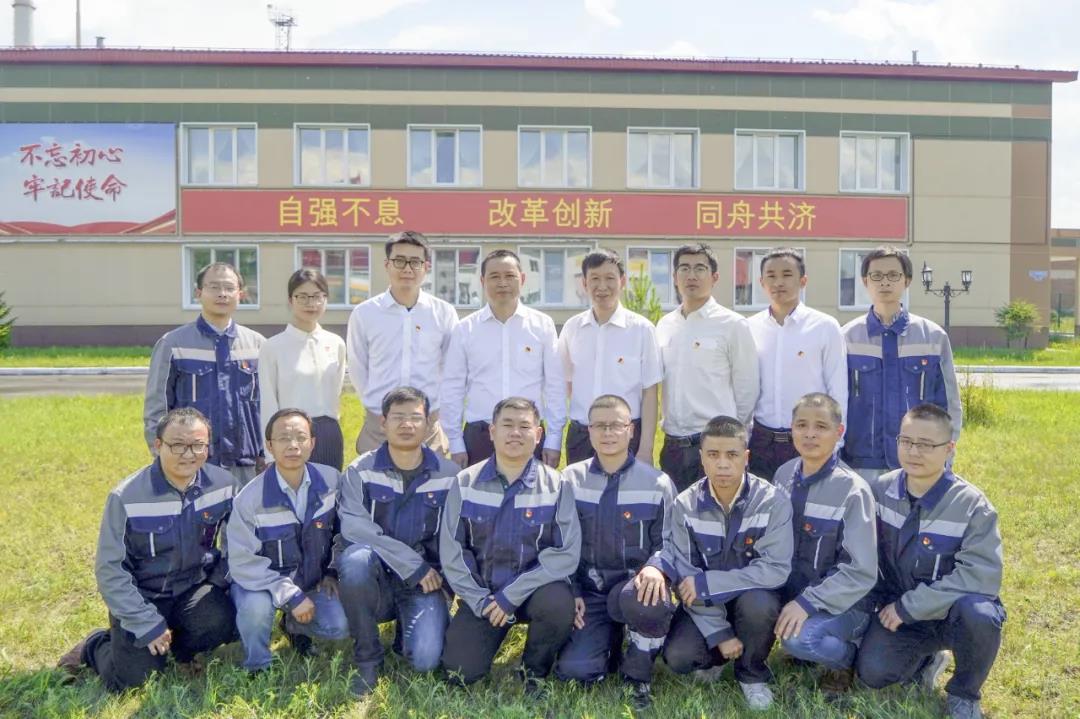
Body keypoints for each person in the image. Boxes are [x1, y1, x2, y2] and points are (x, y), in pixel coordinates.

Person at [57, 408, 237, 691]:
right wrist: (144, 622)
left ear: (207, 447)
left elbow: (240, 543)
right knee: (134, 682)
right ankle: (95, 645)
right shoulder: (126, 496)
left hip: (193, 589)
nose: (188, 454)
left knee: (221, 619)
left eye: (197, 445)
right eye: (177, 445)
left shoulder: (224, 485)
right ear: (158, 445)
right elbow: (109, 569)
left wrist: (217, 583)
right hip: (143, 597)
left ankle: (179, 652)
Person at [856, 404, 1005, 719]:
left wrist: (909, 606)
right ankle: (925, 660)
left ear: (949, 449)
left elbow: (980, 577)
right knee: (873, 673)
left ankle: (964, 693)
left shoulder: (972, 505)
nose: (913, 452)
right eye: (906, 441)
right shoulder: (879, 491)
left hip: (950, 614)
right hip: (900, 614)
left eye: (925, 444)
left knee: (981, 614)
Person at [650, 415, 792, 713]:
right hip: (704, 604)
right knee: (678, 657)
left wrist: (710, 583)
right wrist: (720, 633)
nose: (723, 464)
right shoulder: (685, 505)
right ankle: (716, 657)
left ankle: (752, 674)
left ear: (746, 457)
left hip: (750, 599)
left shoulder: (772, 501)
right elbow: (686, 579)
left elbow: (776, 569)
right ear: (702, 458)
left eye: (732, 455)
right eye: (713, 455)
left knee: (759, 604)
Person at [439, 397, 580, 691]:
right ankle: (489, 630)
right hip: (485, 596)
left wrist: (511, 596)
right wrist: (480, 600)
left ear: (538, 435)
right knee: (460, 672)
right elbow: (453, 551)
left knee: (558, 603)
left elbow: (566, 553)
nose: (515, 433)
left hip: (535, 593)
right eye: (507, 425)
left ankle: (533, 671)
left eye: (524, 426)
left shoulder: (557, 485)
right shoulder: (465, 482)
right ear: (492, 432)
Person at [336, 387, 461, 698]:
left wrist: (446, 586)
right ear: (383, 423)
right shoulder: (360, 471)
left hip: (425, 583)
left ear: (428, 424)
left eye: (415, 418)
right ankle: (368, 658)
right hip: (376, 577)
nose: (407, 424)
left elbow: (455, 537)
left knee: (425, 660)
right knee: (354, 560)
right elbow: (355, 529)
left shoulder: (449, 475)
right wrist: (411, 565)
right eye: (398, 417)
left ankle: (409, 630)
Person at [555, 395, 675, 709]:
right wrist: (572, 590)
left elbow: (670, 541)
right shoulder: (570, 480)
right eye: (599, 426)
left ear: (631, 430)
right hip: (590, 593)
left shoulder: (657, 483)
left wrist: (656, 566)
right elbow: (560, 542)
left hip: (637, 589)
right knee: (575, 671)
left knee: (650, 600)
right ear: (589, 431)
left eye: (616, 425)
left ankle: (637, 674)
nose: (608, 433)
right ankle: (608, 641)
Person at [226, 408, 348, 673]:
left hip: (310, 580)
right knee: (256, 609)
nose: (293, 445)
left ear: (312, 443)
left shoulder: (332, 481)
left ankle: (293, 626)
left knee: (339, 625)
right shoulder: (249, 499)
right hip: (260, 584)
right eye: (283, 438)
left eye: (301, 437)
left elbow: (343, 533)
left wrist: (332, 572)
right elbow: (243, 562)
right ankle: (258, 665)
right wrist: (291, 596)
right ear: (269, 446)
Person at [772, 393, 877, 696]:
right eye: (801, 425)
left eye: (821, 426)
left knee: (799, 640)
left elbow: (860, 570)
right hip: (795, 593)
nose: (810, 434)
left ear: (839, 432)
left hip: (845, 604)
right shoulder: (783, 475)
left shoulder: (853, 490)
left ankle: (847, 657)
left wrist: (807, 603)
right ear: (791, 428)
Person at [841, 246, 962, 482]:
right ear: (865, 281)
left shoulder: (932, 337)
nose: (885, 282)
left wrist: (945, 456)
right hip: (860, 462)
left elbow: (949, 403)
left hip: (919, 462)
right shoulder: (848, 337)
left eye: (893, 275)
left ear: (907, 280)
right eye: (877, 275)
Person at [441, 250, 567, 469]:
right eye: (494, 276)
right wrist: (455, 442)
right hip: (480, 434)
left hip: (528, 433)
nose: (502, 283)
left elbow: (555, 385)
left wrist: (554, 439)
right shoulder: (465, 329)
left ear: (522, 279)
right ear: (482, 281)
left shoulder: (542, 325)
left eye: (509, 276)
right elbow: (453, 387)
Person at [144, 262, 266, 485]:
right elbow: (157, 406)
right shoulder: (173, 344)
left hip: (248, 465)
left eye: (229, 288)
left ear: (241, 294)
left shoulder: (258, 345)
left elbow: (268, 405)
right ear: (198, 292)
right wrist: (162, 456)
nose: (222, 294)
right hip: (192, 462)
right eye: (214, 287)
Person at [656, 243, 759, 492]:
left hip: (714, 446)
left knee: (717, 511)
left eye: (700, 268)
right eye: (684, 268)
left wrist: (727, 436)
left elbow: (747, 389)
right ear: (675, 277)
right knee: (675, 511)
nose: (691, 275)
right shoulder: (665, 325)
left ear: (714, 277)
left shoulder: (733, 325)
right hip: (673, 445)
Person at [347, 230, 459, 456]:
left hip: (427, 422)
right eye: (399, 261)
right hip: (379, 422)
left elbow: (452, 367)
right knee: (374, 477)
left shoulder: (443, 313)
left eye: (415, 262)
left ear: (426, 267)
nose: (407, 269)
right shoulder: (365, 313)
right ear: (387, 265)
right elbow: (358, 367)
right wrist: (375, 405)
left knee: (432, 478)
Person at [748, 248, 847, 481]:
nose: (778, 282)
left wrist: (835, 443)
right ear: (761, 283)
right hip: (761, 440)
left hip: (808, 440)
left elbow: (838, 389)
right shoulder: (749, 327)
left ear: (803, 281)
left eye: (787, 275)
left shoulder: (824, 327)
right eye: (771, 276)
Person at [557, 249, 662, 466]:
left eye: (609, 278)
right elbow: (565, 384)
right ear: (584, 283)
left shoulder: (642, 330)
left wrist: (646, 448)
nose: (602, 286)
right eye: (594, 279)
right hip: (582, 435)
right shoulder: (572, 328)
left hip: (626, 435)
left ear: (622, 281)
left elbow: (650, 393)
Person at [259, 269, 347, 470]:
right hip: (290, 436)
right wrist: (270, 454)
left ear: (326, 299)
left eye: (317, 296)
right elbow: (268, 403)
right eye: (303, 297)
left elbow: (336, 392)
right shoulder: (273, 347)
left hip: (328, 434)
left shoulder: (336, 343)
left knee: (329, 487)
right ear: (290, 300)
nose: (311, 303)